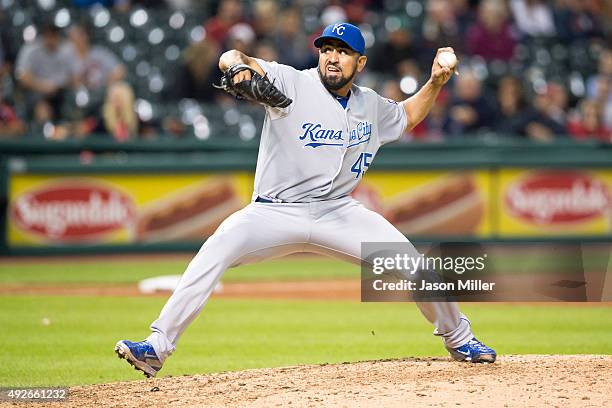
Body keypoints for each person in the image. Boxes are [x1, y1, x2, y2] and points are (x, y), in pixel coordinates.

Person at [115, 23, 496, 378]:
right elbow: (234, 57)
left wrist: (435, 82)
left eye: (344, 52)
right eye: (327, 49)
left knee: (413, 263)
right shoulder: (292, 81)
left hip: (338, 212)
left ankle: (460, 339)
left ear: (360, 62)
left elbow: (407, 115)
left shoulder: (371, 105)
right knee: (218, 246)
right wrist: (238, 67)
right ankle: (156, 347)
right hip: (274, 211)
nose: (333, 57)